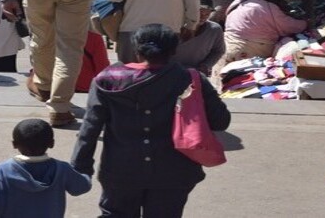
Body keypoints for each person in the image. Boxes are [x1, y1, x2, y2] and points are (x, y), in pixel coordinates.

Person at [72, 24, 231, 217]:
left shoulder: (108, 79)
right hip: (174, 172)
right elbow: (221, 121)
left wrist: (80, 167)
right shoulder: (191, 79)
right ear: (174, 50)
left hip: (121, 170)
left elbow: (90, 128)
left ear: (136, 49)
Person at [0, 118, 92, 218]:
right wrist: (85, 169)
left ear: (14, 144)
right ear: (52, 143)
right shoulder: (62, 169)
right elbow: (81, 187)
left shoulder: (2, 172)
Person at [219, 0, 308, 65]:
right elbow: (290, 26)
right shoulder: (266, 7)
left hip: (227, 48)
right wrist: (306, 23)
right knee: (290, 43)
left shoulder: (236, 3)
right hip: (249, 52)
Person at [173, 0, 226, 76]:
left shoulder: (214, 29)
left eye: (207, 14)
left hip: (195, 74)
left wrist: (206, 65)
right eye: (200, 12)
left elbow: (218, 51)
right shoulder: (175, 26)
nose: (203, 17)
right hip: (171, 71)